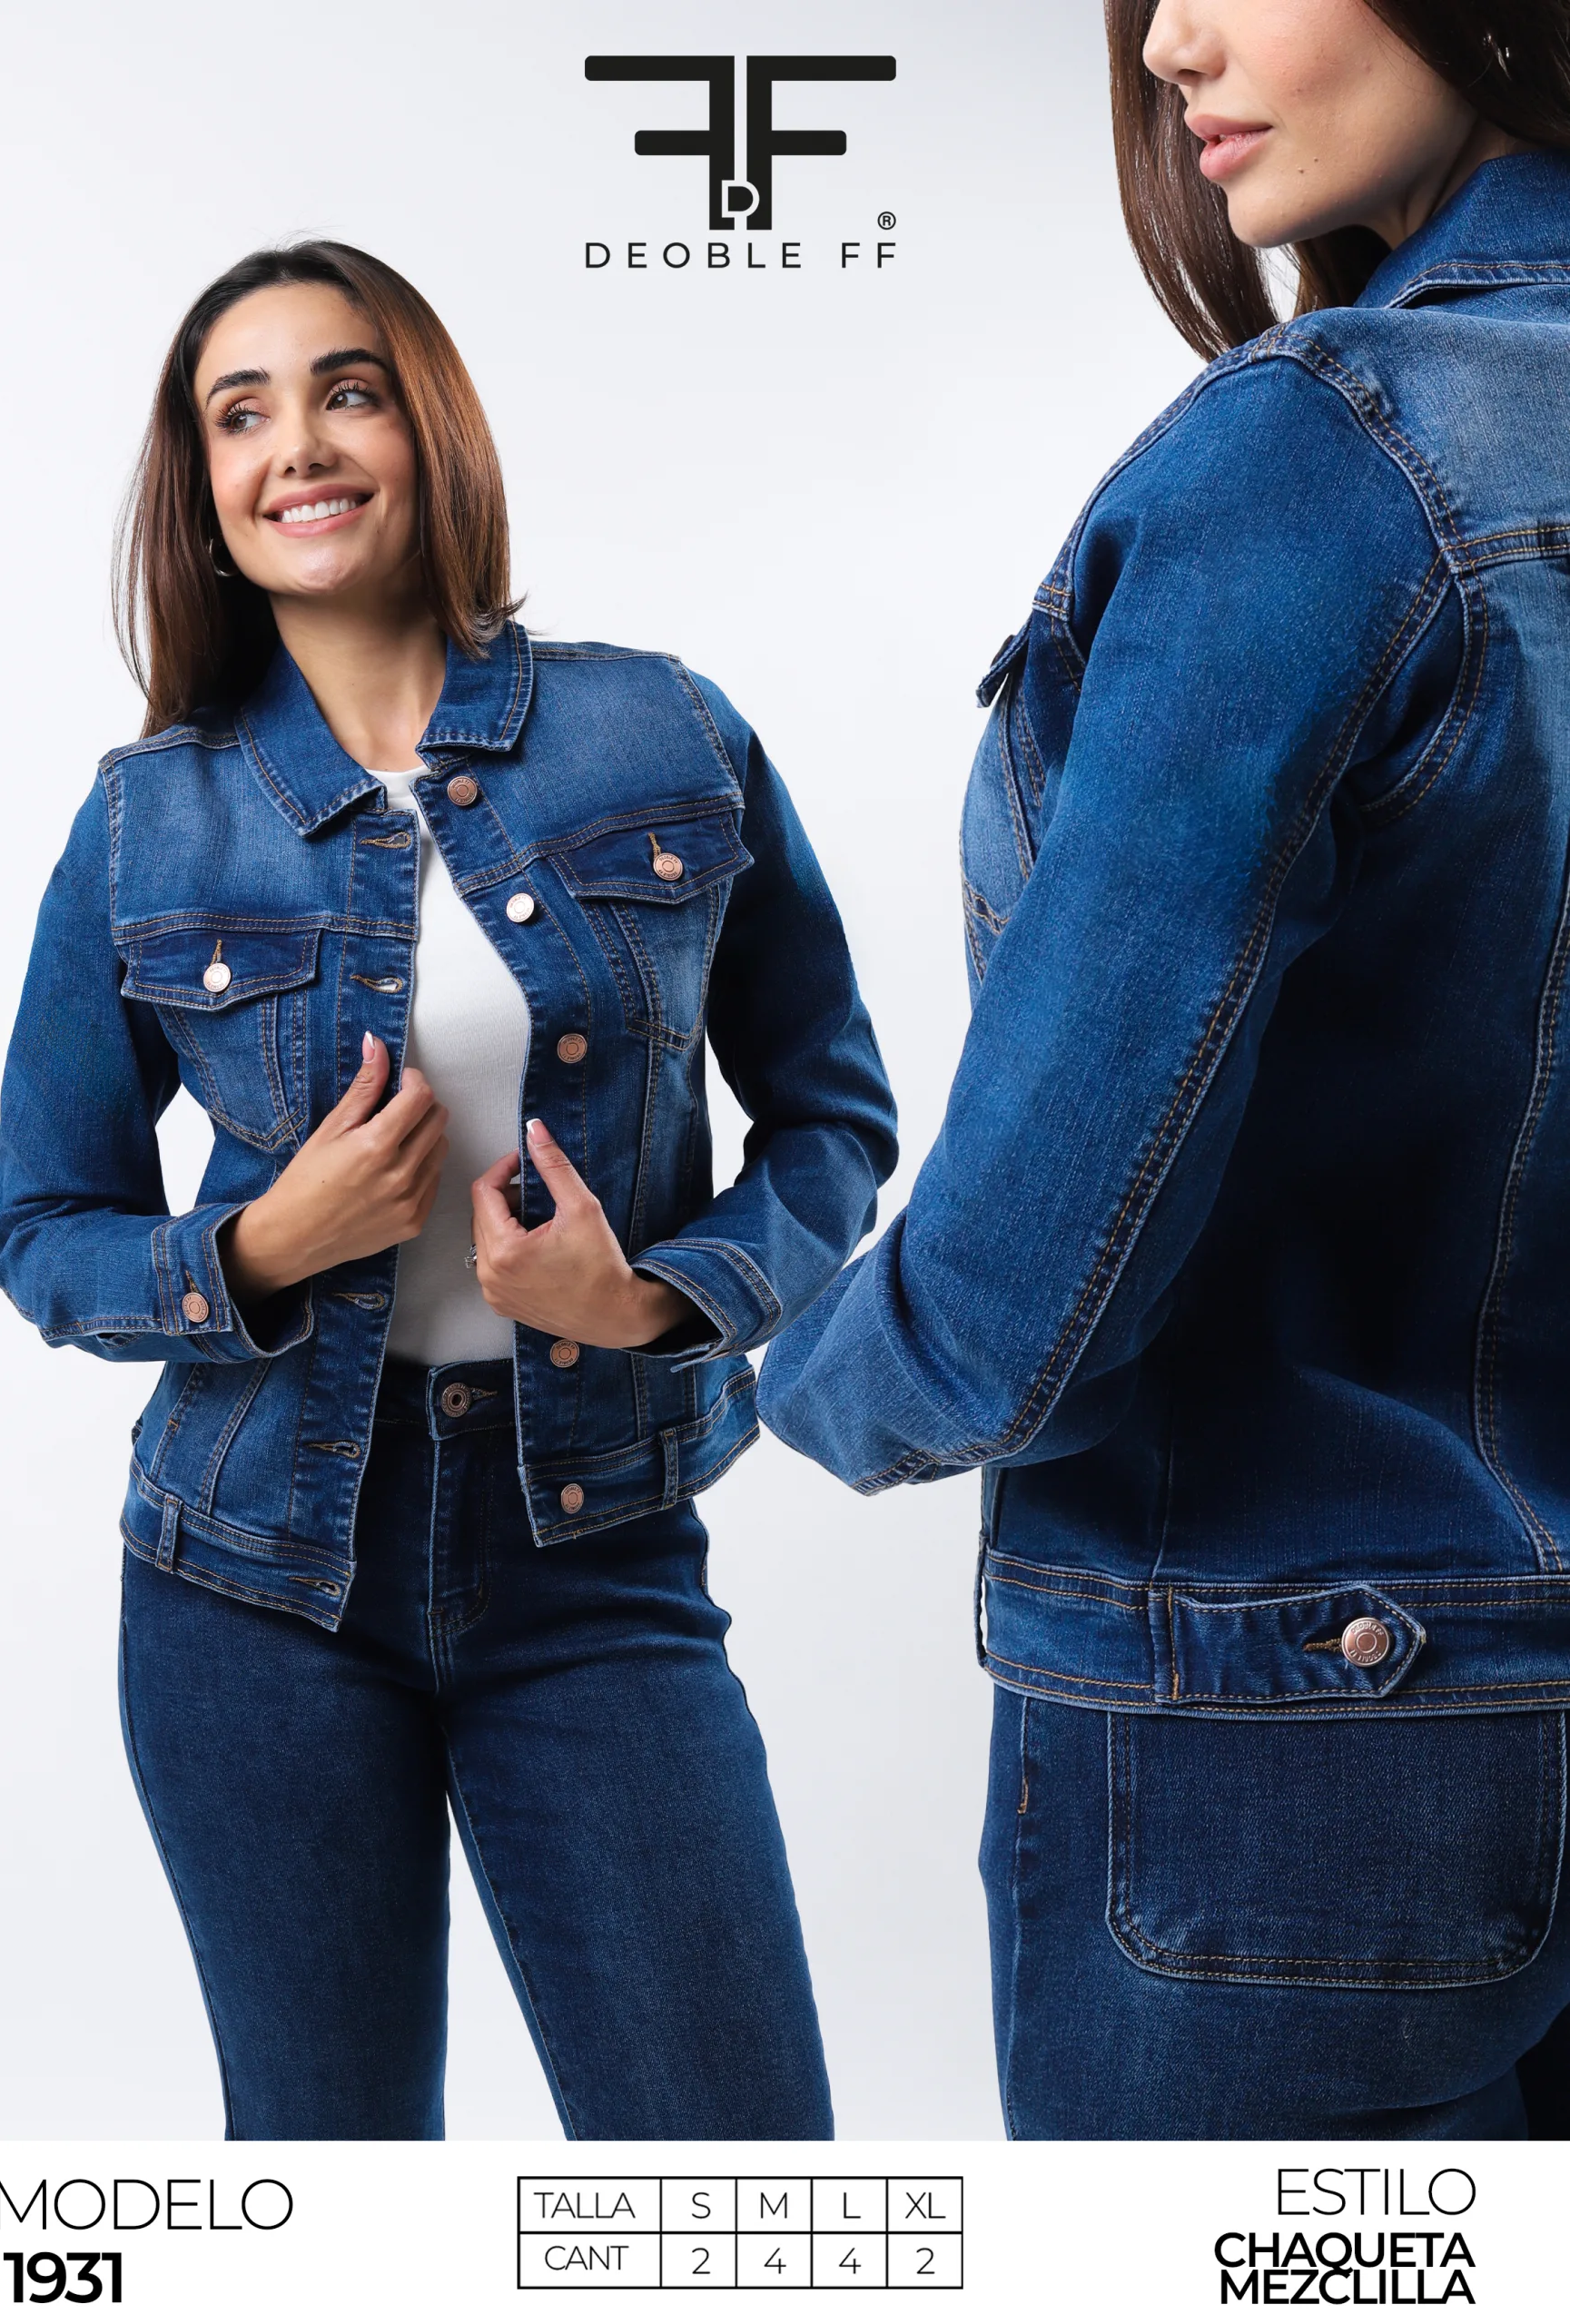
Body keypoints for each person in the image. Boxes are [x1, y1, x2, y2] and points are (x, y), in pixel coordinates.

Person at [759, 0, 1570, 2139]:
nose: (1168, 44)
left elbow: (1017, 1305)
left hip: (1297, 1756)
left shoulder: (1320, 464)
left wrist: (749, 1346)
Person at [0, 241, 896, 2141]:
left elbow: (831, 1118)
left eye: (348, 390)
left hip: (592, 1555)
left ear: (431, 430)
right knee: (331, 2185)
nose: (298, 446)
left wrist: (650, 1298)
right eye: (239, 414)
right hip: (251, 1582)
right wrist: (259, 1248)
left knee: (736, 2186)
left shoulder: (661, 729)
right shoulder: (147, 818)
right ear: (204, 495)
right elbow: (41, 1227)